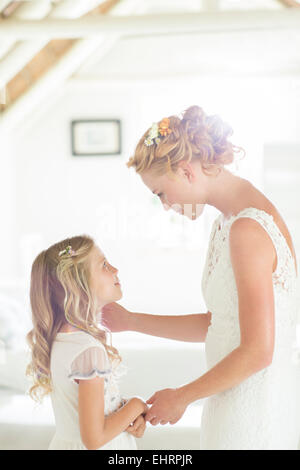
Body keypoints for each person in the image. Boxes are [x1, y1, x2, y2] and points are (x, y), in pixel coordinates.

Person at [101, 106, 300, 450]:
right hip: (228, 404)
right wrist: (131, 321)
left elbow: (258, 351)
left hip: (253, 413)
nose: (165, 206)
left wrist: (182, 397)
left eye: (161, 193)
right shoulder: (227, 222)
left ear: (185, 171)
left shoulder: (247, 229)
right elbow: (219, 324)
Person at [26, 235, 148, 450]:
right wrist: (137, 404)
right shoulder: (88, 351)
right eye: (104, 265)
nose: (115, 269)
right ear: (78, 286)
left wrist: (122, 409)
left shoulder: (60, 341)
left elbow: (85, 412)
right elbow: (94, 438)